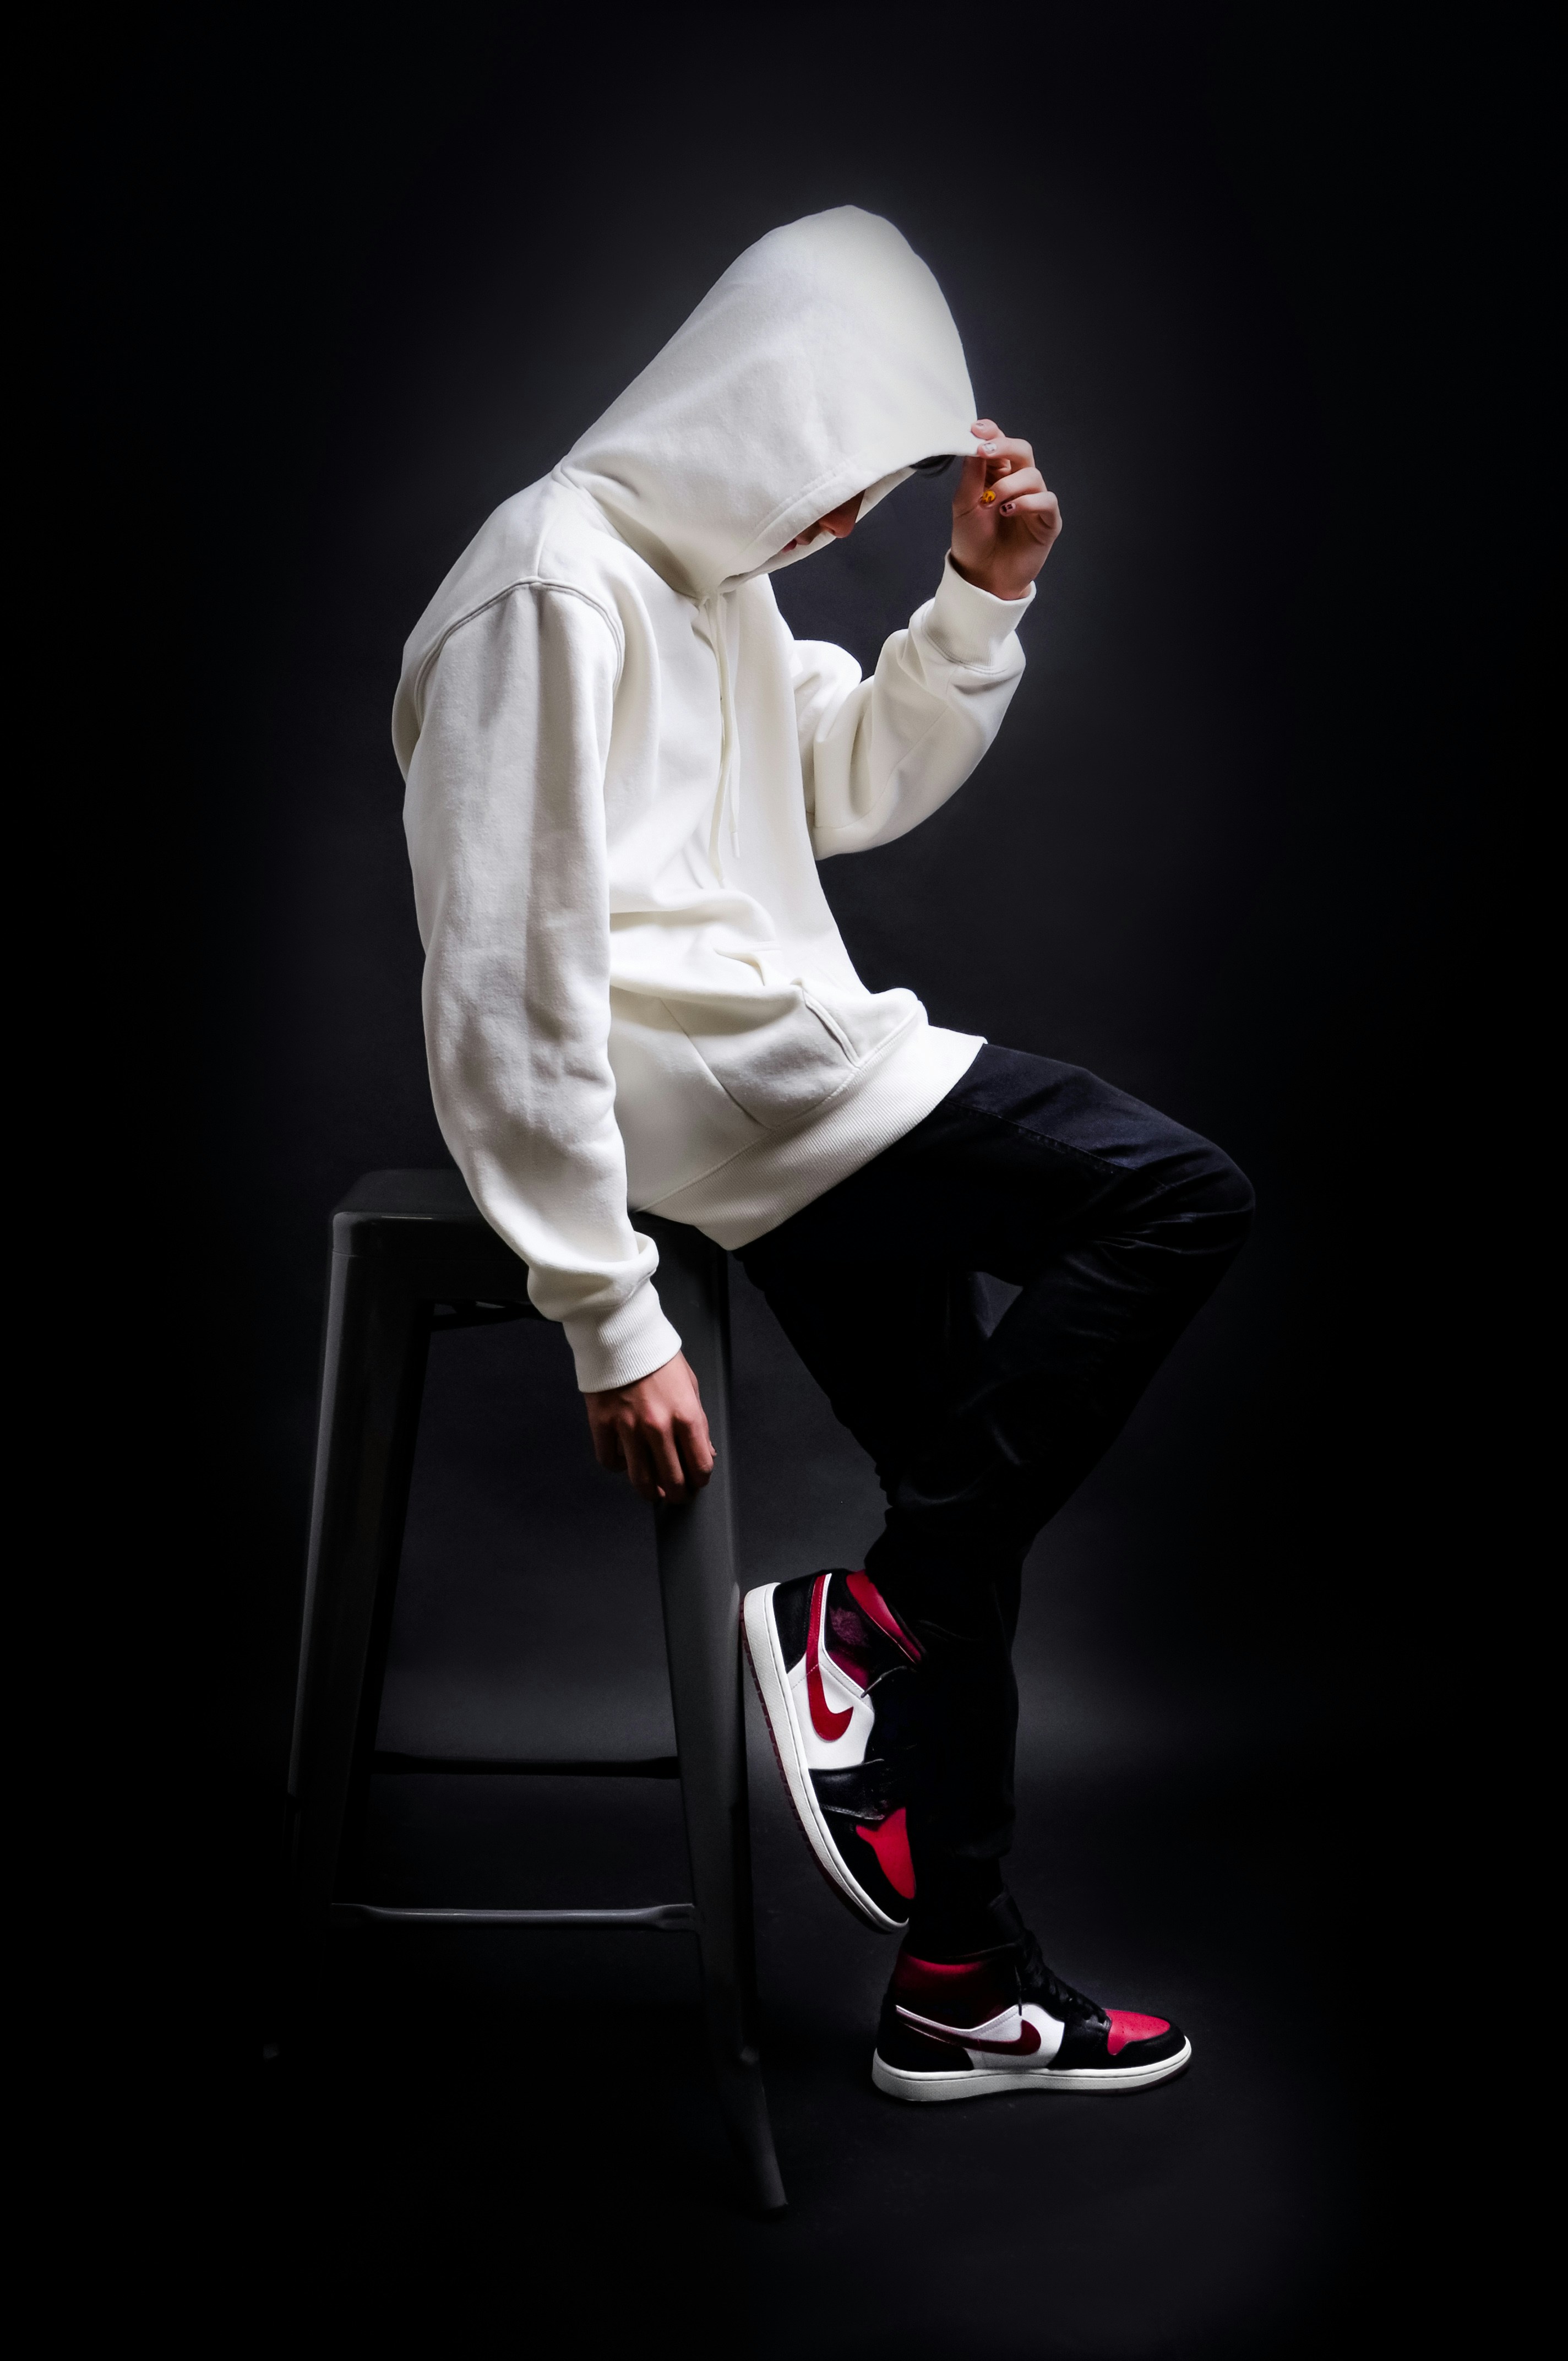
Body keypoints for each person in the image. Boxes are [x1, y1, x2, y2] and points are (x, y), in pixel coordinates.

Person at [394, 207, 1253, 2103]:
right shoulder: (553, 580)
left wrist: (981, 600)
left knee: (970, 1486)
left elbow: (846, 781)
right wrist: (602, 1307)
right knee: (1177, 1193)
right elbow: (505, 966)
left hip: (780, 1092)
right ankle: (861, 1617)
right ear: (747, 412)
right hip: (740, 1086)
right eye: (832, 482)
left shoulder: (709, 589)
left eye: (869, 501)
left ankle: (960, 1974)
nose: (838, 527)